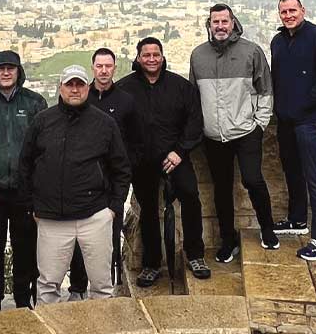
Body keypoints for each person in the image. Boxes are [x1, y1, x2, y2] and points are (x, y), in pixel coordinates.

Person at [20, 65, 132, 304]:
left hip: (94, 216)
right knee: (48, 287)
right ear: (60, 88)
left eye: (79, 84)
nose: (74, 89)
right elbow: (26, 165)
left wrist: (113, 207)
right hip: (51, 218)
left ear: (87, 87)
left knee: (102, 286)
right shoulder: (42, 121)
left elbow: (121, 168)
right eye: (69, 84)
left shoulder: (104, 123)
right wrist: (32, 206)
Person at [190, 3, 280, 260]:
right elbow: (194, 95)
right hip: (213, 136)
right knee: (221, 188)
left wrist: (260, 125)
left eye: (224, 21)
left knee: (253, 180)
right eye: (215, 22)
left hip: (245, 132)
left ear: (233, 23)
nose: (220, 26)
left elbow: (266, 90)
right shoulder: (198, 55)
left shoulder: (251, 51)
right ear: (209, 25)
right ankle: (227, 240)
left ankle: (267, 228)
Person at [117, 37, 208, 285]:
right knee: (147, 210)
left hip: (175, 157)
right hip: (142, 160)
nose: (151, 59)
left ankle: (195, 255)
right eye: (146, 55)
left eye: (155, 54)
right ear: (138, 58)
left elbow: (194, 122)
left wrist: (179, 151)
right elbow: (117, 127)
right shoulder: (124, 89)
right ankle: (151, 264)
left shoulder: (180, 87)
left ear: (162, 56)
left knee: (190, 197)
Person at [270, 0, 316, 261]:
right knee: (292, 171)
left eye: (292, 10)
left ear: (303, 10)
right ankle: (297, 219)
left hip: (312, 120)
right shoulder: (278, 41)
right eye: (284, 11)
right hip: (286, 120)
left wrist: (306, 103)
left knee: (314, 177)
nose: (288, 15)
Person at [67, 47, 143, 298]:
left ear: (114, 68)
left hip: (112, 182)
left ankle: (107, 287)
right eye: (99, 66)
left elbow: (134, 141)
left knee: (109, 237)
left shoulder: (126, 101)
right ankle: (77, 286)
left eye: (108, 66)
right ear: (93, 68)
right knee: (78, 237)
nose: (103, 71)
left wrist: (125, 173)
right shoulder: (80, 98)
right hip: (81, 180)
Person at [0, 50, 47, 312]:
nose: (6, 73)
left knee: (25, 245)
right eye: (1, 68)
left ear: (19, 71)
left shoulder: (34, 102)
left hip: (24, 189)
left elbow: (43, 146)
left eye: (11, 68)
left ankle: (22, 296)